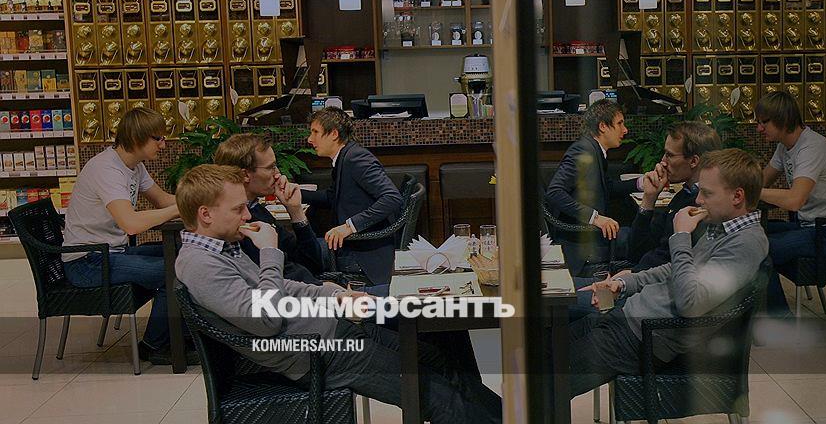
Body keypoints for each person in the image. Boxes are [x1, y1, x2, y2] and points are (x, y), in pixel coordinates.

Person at [173, 164, 501, 423]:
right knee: (435, 393)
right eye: (238, 209)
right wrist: (270, 253)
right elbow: (266, 320)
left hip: (330, 330)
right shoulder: (200, 265)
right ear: (205, 214)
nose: (247, 216)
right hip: (318, 353)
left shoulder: (221, 248)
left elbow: (281, 288)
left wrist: (333, 296)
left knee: (438, 358)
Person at [567, 149, 769, 397]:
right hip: (628, 317)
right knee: (547, 350)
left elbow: (691, 303)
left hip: (642, 339)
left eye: (707, 193)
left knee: (548, 383)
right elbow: (675, 269)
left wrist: (681, 235)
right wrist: (623, 283)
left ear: (737, 196)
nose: (698, 201)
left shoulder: (746, 243)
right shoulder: (721, 228)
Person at [61, 107, 183, 364]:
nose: (164, 144)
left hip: (110, 253)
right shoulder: (107, 170)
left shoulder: (133, 166)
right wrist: (178, 210)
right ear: (137, 138)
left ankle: (181, 334)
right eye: (158, 138)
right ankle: (156, 345)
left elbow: (162, 200)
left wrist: (200, 203)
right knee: (174, 271)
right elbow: (131, 224)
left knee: (184, 255)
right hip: (88, 262)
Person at [754, 91, 826, 316]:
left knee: (758, 251)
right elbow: (763, 180)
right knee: (751, 235)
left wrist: (754, 192)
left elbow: (794, 200)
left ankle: (781, 321)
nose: (759, 129)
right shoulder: (785, 146)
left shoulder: (811, 148)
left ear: (783, 120)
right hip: (811, 226)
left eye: (764, 122)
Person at [301, 107, 403, 285]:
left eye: (315, 132)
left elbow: (392, 198)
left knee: (297, 254)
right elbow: (331, 197)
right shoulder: (344, 157)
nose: (310, 139)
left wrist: (349, 227)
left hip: (362, 255)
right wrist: (296, 193)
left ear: (334, 134)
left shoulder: (355, 158)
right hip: (354, 247)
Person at [213, 133, 332, 283]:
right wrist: (323, 292)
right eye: (271, 167)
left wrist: (296, 211)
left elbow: (312, 265)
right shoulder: (235, 224)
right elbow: (267, 287)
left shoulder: (257, 209)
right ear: (245, 175)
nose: (277, 174)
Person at [545, 99, 643, 275]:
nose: (625, 130)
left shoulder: (595, 150)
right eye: (620, 123)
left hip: (591, 239)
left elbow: (607, 187)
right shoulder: (583, 151)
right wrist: (595, 218)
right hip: (582, 247)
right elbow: (555, 192)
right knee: (645, 240)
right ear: (603, 126)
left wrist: (640, 183)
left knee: (640, 237)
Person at [625, 121, 722, 270]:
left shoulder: (705, 205)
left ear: (694, 161)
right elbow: (637, 252)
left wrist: (631, 276)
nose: (662, 162)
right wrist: (649, 199)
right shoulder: (683, 195)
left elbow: (671, 263)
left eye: (669, 155)